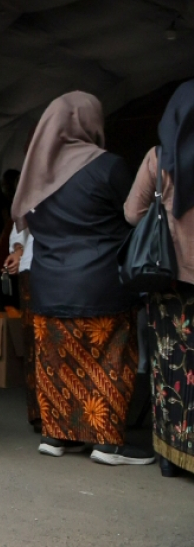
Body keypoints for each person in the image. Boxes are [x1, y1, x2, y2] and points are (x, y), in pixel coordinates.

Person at [12, 91, 151, 466]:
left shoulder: (34, 173)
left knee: (58, 364)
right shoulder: (109, 167)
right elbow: (136, 216)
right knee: (109, 361)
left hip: (46, 285)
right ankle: (107, 444)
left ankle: (56, 435)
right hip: (102, 284)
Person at [125, 80, 194, 478]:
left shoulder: (158, 157)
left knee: (169, 368)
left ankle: (172, 456)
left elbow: (133, 214)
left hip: (169, 282)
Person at [0, 169, 41, 431]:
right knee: (35, 342)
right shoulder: (29, 188)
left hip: (54, 268)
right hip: (32, 270)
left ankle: (61, 418)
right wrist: (17, 251)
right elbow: (21, 231)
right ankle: (40, 414)